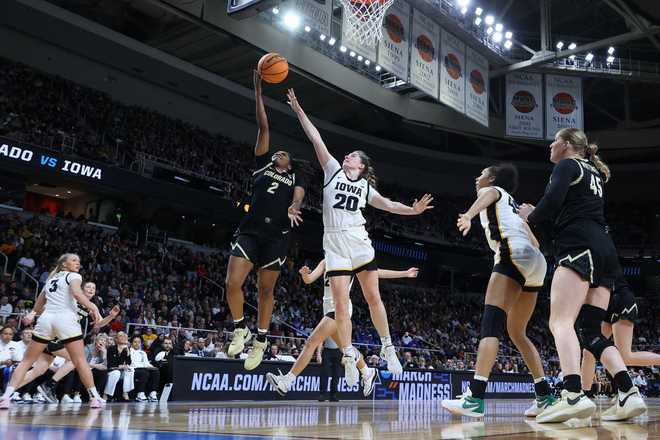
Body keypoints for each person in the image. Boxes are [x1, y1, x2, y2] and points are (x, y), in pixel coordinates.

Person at [286, 88, 433, 386]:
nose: (347, 155)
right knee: (341, 305)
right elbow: (316, 138)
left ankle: (388, 347)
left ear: (361, 166)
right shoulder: (331, 171)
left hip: (358, 240)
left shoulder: (366, 188)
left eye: (353, 156)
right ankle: (349, 355)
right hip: (335, 244)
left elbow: (390, 205)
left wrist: (413, 210)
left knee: (373, 296)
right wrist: (299, 110)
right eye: (348, 154)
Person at [519, 128, 646, 422]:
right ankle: (628, 393)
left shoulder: (568, 165)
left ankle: (573, 394)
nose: (550, 146)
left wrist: (530, 216)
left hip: (579, 246)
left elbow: (551, 202)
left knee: (560, 322)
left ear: (564, 145)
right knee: (590, 333)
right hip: (606, 252)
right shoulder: (595, 173)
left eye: (554, 141)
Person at [441, 164, 555, 418]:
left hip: (511, 254)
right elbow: (535, 243)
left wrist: (468, 215)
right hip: (536, 261)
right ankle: (545, 395)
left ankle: (475, 398)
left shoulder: (493, 190)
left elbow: (487, 196)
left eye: (480, 174)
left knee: (491, 324)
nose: (476, 177)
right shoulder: (513, 206)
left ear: (491, 178)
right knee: (517, 332)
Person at [226, 71, 306, 371]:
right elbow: (263, 124)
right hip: (250, 230)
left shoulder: (296, 177)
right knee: (232, 282)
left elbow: (298, 195)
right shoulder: (262, 166)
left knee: (266, 290)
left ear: (290, 163)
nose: (279, 152)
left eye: (284, 153)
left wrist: (294, 207)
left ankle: (260, 340)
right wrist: (258, 89)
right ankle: (240, 328)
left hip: (277, 235)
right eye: (278, 151)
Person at [266, 259, 418, 396]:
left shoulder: (349, 262)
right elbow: (309, 280)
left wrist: (404, 273)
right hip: (328, 309)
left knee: (311, 342)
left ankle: (286, 382)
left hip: (340, 310)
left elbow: (375, 273)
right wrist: (305, 274)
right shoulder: (326, 262)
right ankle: (367, 372)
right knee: (346, 349)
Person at [0, 254, 105, 409]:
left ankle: (6, 397)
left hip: (46, 320)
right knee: (79, 361)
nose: (78, 262)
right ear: (63, 264)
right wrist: (93, 306)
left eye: (79, 260)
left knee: (27, 361)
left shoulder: (50, 279)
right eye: (74, 260)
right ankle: (94, 397)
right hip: (64, 319)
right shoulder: (74, 276)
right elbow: (77, 293)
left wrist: (32, 314)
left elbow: (41, 300)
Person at [18, 281, 119, 403]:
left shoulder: (92, 306)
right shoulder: (72, 299)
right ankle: (49, 385)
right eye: (88, 286)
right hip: (56, 335)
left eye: (94, 287)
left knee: (38, 370)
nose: (91, 289)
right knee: (74, 360)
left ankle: (9, 391)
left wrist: (111, 316)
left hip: (66, 339)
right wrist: (34, 314)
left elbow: (99, 323)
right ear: (81, 289)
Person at [580, 277, 660, 397]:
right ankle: (583, 396)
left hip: (621, 299)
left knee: (625, 357)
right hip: (607, 302)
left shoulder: (593, 263)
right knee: (588, 351)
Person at [104, 331, 133, 401]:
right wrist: (119, 366)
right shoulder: (111, 349)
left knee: (130, 370)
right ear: (116, 339)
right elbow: (110, 364)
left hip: (121, 371)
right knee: (116, 373)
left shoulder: (126, 349)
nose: (123, 337)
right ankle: (105, 394)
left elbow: (128, 363)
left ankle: (125, 392)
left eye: (124, 335)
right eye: (120, 336)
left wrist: (128, 354)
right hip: (111, 371)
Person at [129, 336, 159, 402]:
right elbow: (132, 363)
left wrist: (151, 367)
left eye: (139, 342)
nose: (137, 344)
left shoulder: (143, 352)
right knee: (144, 372)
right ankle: (140, 393)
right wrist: (145, 366)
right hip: (132, 369)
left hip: (143, 368)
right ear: (131, 343)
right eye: (135, 342)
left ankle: (152, 393)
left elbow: (146, 363)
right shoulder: (129, 351)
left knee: (155, 371)